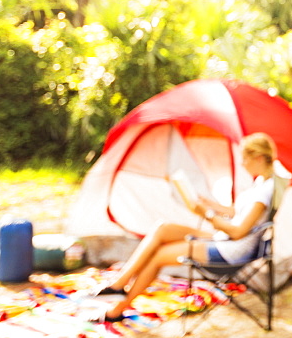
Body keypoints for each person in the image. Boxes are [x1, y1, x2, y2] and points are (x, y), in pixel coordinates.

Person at [91, 132, 277, 323]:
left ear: (260, 158)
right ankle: (119, 283)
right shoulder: (263, 181)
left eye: (245, 158)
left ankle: (116, 310)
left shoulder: (263, 192)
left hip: (230, 252)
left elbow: (238, 232)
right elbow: (240, 213)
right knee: (163, 228)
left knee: (158, 256)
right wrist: (211, 205)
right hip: (224, 240)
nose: (242, 163)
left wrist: (206, 214)